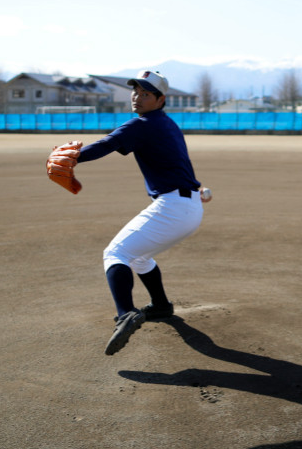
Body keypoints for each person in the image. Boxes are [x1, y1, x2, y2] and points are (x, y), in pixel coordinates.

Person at [59, 69, 205, 356]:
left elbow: (107, 145)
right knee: (139, 256)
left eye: (146, 93)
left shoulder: (144, 124)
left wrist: (72, 157)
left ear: (160, 99)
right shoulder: (166, 124)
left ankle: (125, 313)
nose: (137, 97)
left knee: (116, 254)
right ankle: (160, 306)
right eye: (135, 91)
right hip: (187, 205)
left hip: (174, 207)